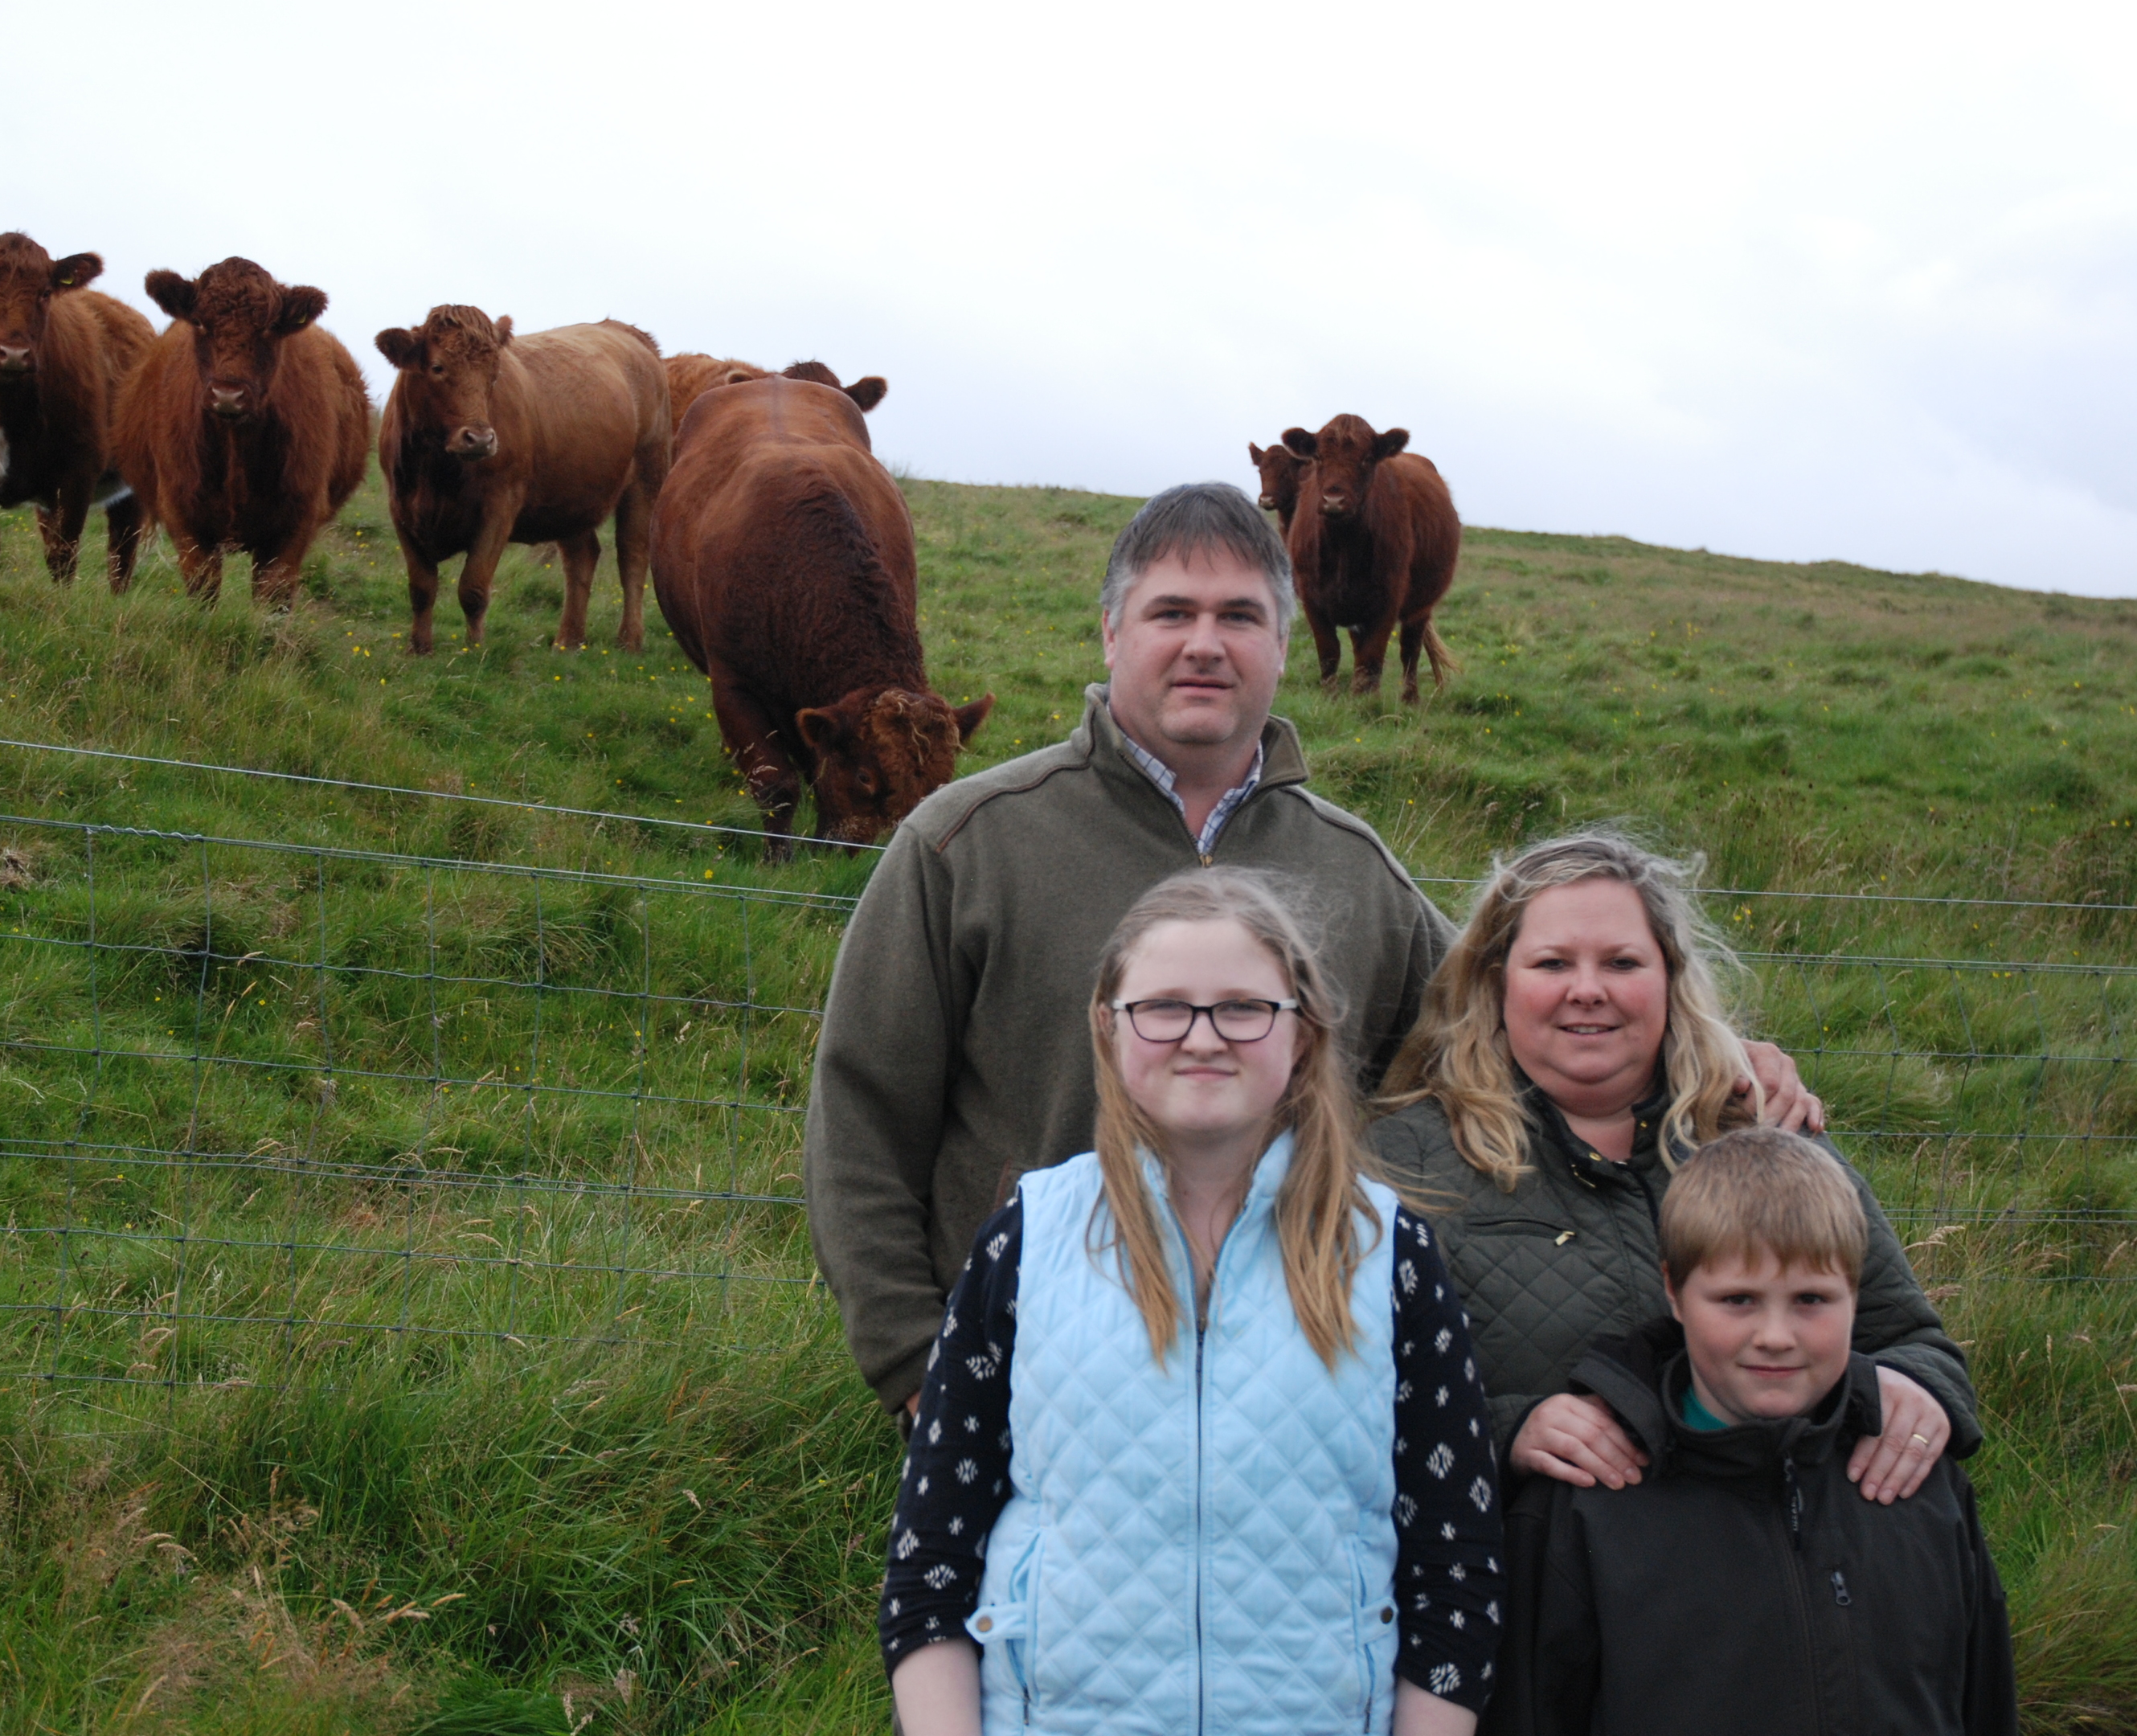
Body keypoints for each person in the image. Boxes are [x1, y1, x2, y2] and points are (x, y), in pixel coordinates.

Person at [804, 482, 1817, 1421]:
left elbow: (1515, 1039)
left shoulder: (1353, 871)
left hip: (1290, 1392)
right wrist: (916, 1363)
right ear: (1111, 630)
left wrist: (1720, 1060)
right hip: (1026, 1373)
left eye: (1239, 617)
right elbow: (861, 1112)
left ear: (1284, 644)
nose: (1205, 645)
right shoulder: (963, 844)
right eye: (1171, 613)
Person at [882, 870, 1502, 1736]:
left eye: (1243, 1007)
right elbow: (931, 1555)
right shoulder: (1026, 1240)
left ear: (1304, 1032)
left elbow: (1454, 1571)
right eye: (1162, 1006)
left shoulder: (1386, 1252)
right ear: (1107, 1027)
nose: (1202, 1038)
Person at [1364, 831, 1976, 1502]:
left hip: (1777, 1563)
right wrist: (1508, 1430)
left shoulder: (1763, 1128)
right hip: (1545, 1585)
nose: (1588, 990)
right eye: (1551, 964)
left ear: (1670, 978)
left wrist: (1918, 1395)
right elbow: (1350, 1403)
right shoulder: (1405, 1164)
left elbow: (1911, 1340)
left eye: (1622, 963)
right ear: (1494, 982)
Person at [1486, 1128, 2016, 1735]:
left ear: (1855, 1294)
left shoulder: (1923, 1486)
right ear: (1674, 1293)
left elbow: (1984, 1700)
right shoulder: (1579, 1508)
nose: (1774, 1335)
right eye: (1737, 1299)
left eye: (1811, 1299)